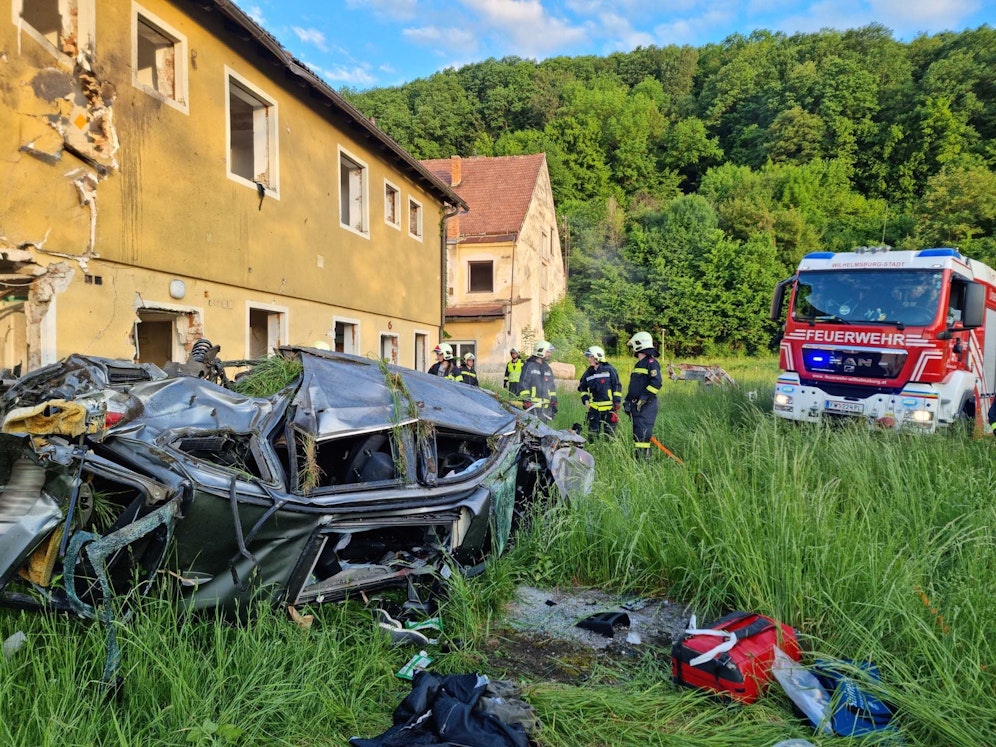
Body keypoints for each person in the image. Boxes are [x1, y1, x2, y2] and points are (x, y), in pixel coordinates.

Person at [623, 331, 663, 460]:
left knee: (643, 435)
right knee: (638, 434)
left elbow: (656, 383)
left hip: (646, 406)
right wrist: (628, 401)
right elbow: (635, 386)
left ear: (638, 345)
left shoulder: (651, 363)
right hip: (637, 405)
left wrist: (644, 398)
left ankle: (644, 462)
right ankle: (639, 459)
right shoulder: (639, 364)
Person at [577, 345, 622, 442]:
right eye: (588, 357)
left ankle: (610, 453)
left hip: (609, 409)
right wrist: (585, 400)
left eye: (590, 357)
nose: (589, 359)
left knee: (610, 435)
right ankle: (593, 451)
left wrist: (617, 402)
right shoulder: (588, 373)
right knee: (592, 435)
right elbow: (582, 387)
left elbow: (617, 386)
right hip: (594, 410)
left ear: (597, 357)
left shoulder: (610, 370)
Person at [518, 340, 558, 421]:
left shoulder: (548, 369)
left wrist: (554, 401)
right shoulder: (529, 366)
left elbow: (552, 387)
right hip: (532, 408)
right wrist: (526, 400)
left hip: (545, 411)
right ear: (540, 351)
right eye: (548, 352)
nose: (549, 354)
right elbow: (523, 384)